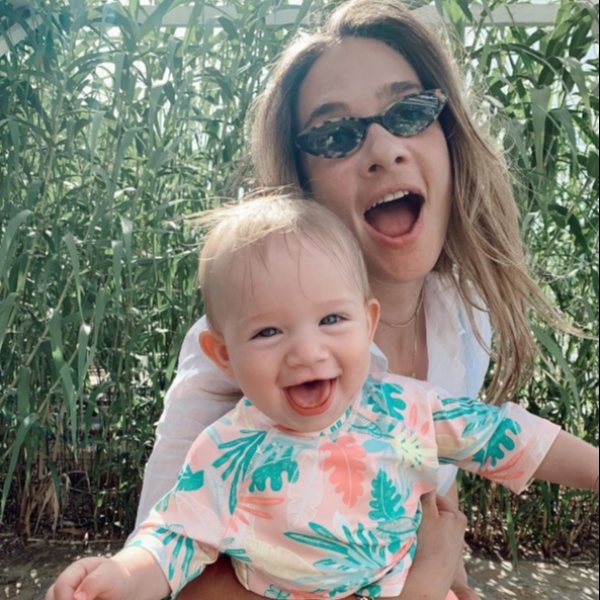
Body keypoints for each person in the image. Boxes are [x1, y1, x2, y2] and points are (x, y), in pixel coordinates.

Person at [135, 1, 582, 598]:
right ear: (299, 186)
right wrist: (424, 582)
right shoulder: (241, 350)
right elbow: (170, 568)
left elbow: (430, 468)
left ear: (449, 139)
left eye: (410, 111)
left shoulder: (463, 312)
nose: (383, 149)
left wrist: (448, 568)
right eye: (335, 135)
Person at [46, 196, 598, 600]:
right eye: (268, 332)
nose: (307, 352)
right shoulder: (226, 452)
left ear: (368, 323)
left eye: (332, 319)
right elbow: (172, 540)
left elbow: (510, 438)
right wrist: (120, 576)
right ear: (223, 355)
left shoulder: (407, 409)